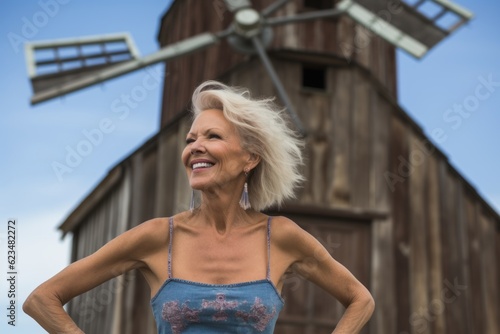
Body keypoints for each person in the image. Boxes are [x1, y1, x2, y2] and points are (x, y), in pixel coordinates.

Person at [23, 80, 374, 333]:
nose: (195, 147)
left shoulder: (281, 236)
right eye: (191, 139)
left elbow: (361, 299)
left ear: (250, 158)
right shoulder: (158, 236)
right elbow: (42, 299)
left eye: (212, 137)